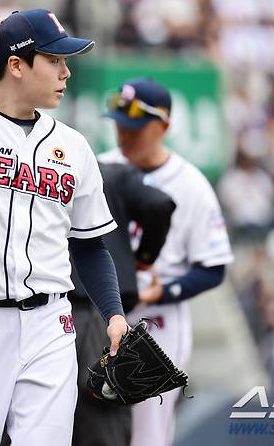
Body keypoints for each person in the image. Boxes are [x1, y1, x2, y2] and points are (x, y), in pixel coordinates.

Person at [0, 9, 129, 445]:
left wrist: (113, 314)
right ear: (16, 65)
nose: (66, 72)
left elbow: (89, 246)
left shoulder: (73, 145)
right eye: (54, 60)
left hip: (52, 326)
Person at [100, 78, 234, 446]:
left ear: (164, 126)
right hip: (101, 316)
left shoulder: (191, 184)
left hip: (156, 323)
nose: (123, 134)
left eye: (134, 127)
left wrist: (166, 290)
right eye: (119, 124)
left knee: (148, 434)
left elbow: (213, 268)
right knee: (90, 426)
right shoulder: (99, 169)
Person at [70, 162, 176, 446]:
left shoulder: (34, 167)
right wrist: (145, 255)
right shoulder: (114, 174)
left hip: (39, 311)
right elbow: (159, 204)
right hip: (99, 315)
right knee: (103, 417)